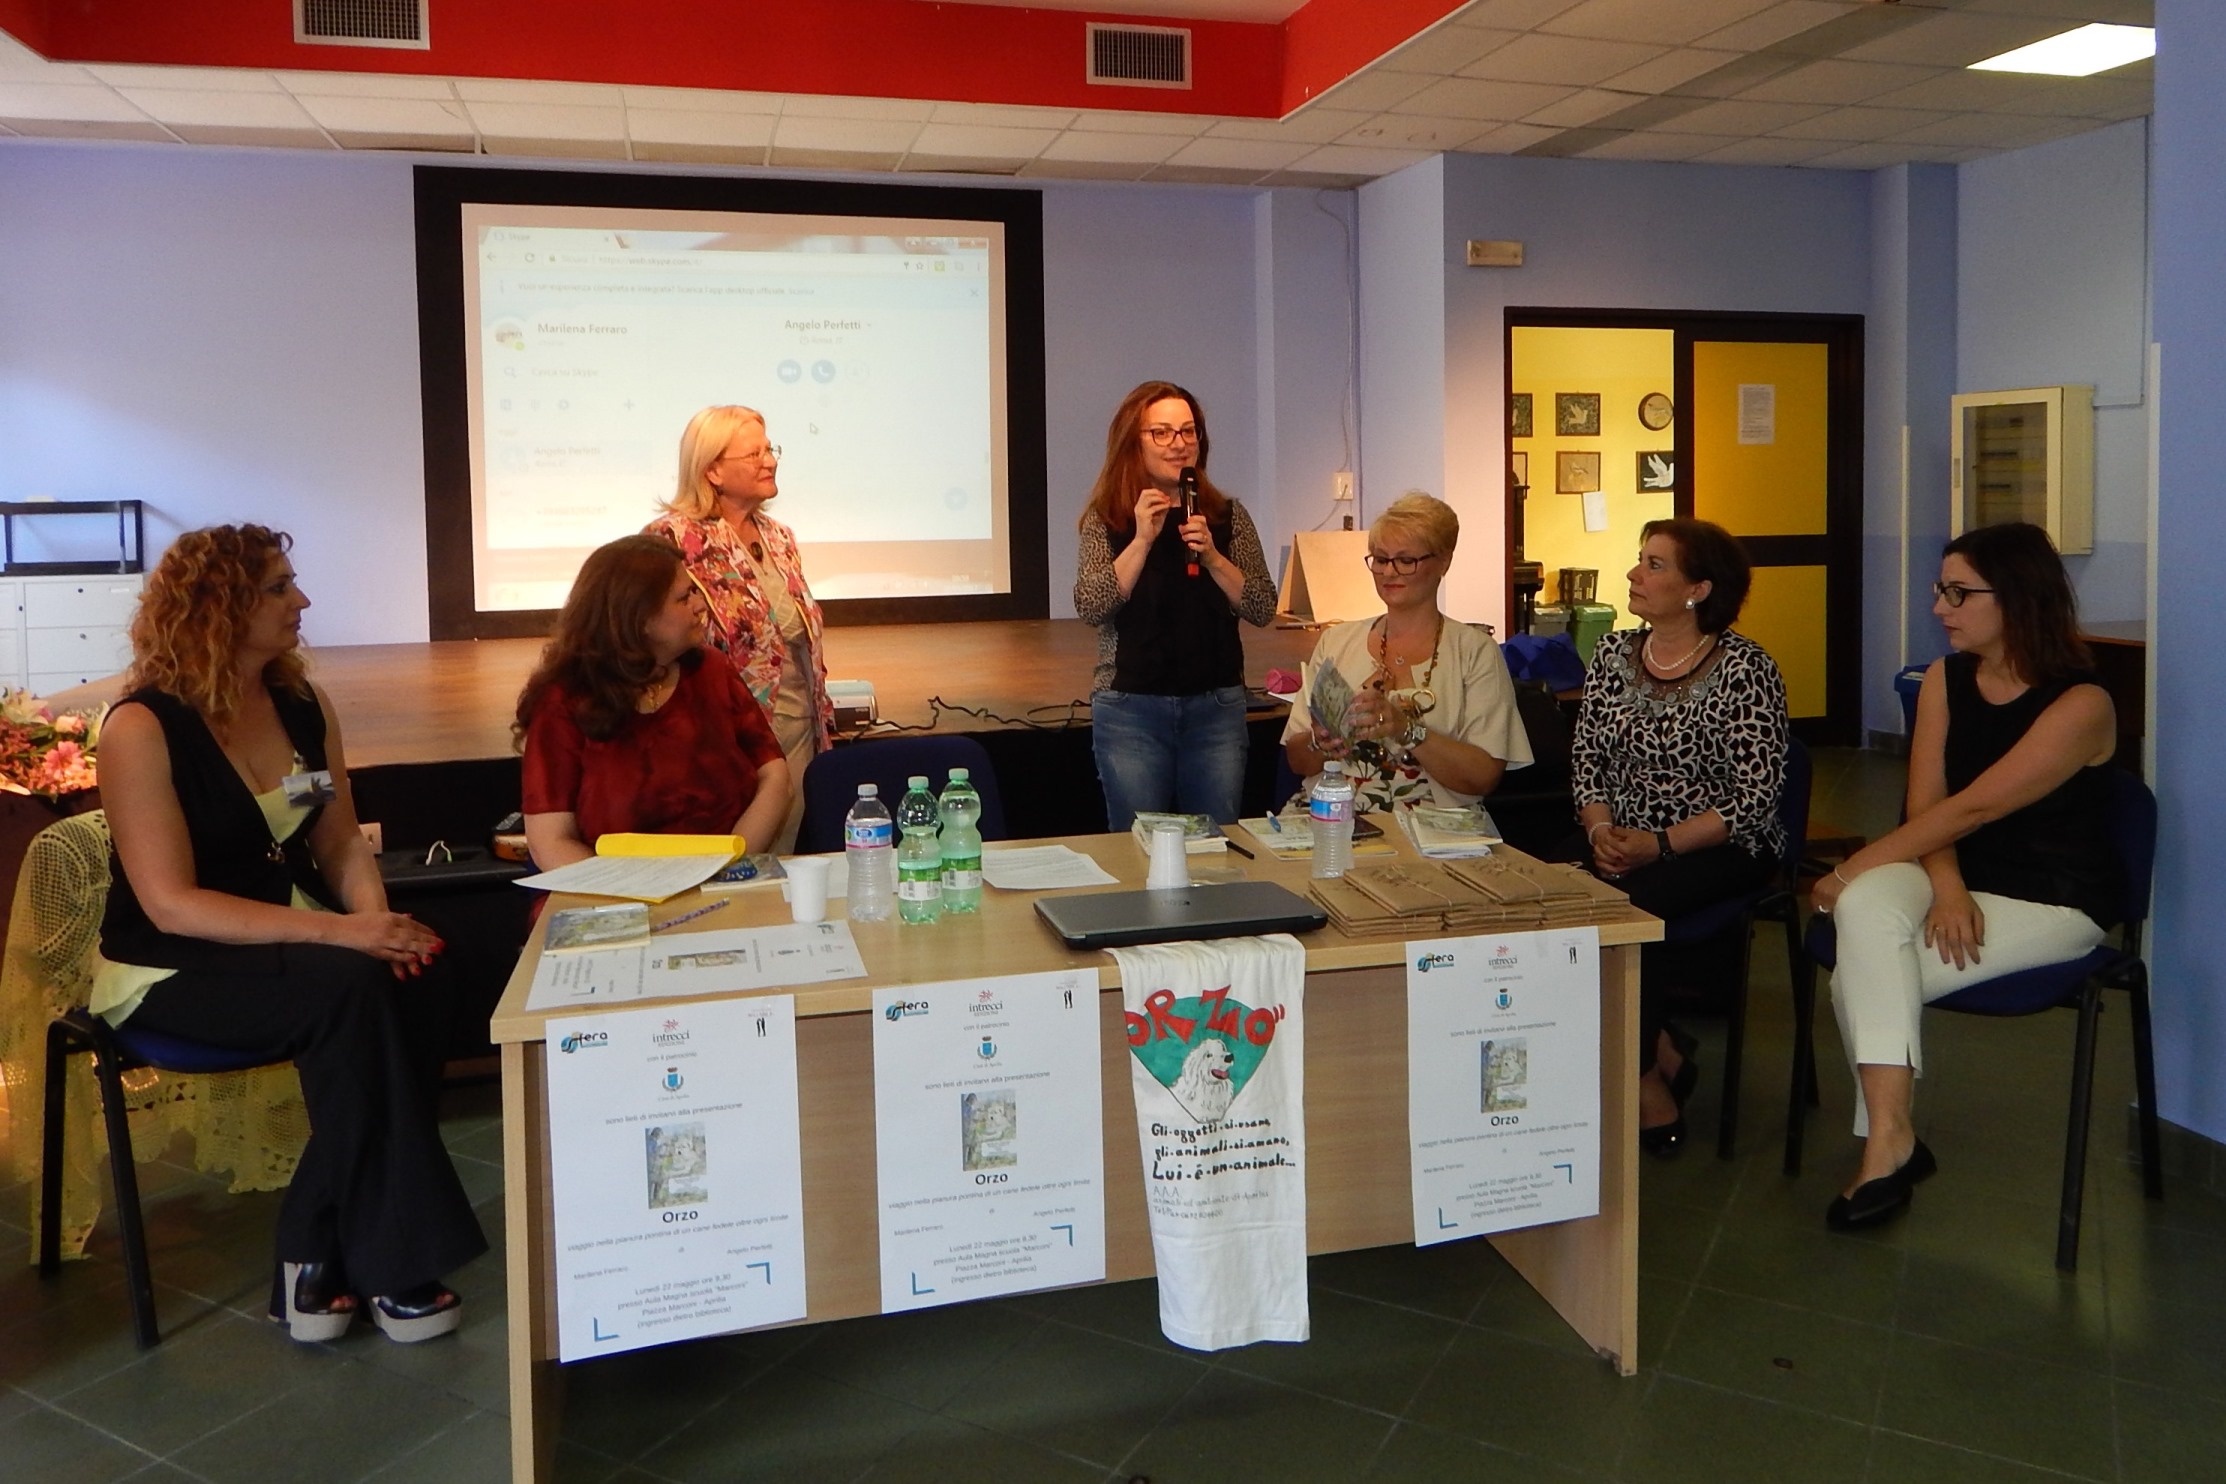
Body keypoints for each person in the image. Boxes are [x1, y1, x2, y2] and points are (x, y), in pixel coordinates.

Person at [92, 525, 485, 1343]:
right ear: (218, 607)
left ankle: (310, 1255)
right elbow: (173, 906)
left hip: (292, 941)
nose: (301, 600)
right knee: (350, 987)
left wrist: (374, 923)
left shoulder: (302, 706)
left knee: (421, 966)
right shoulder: (142, 727)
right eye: (278, 588)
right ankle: (393, 1267)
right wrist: (342, 939)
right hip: (173, 968)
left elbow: (339, 842)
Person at [1809, 523, 2118, 1231]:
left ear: (2016, 597)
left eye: (1958, 593)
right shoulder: (1945, 680)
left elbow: (1978, 806)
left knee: (1858, 974)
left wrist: (1849, 866)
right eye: (1939, 590)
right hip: (1953, 869)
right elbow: (1929, 805)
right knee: (1865, 910)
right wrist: (1945, 889)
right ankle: (1894, 1138)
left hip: (2054, 897)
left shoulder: (2082, 703)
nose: (1939, 607)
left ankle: (1886, 1142)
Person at [1565, 518, 1789, 1155]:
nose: (1634, 574)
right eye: (1640, 560)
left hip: (1721, 845)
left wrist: (1658, 844)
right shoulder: (1613, 654)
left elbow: (1753, 800)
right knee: (1554, 893)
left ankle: (1645, 1083)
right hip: (1623, 837)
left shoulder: (1745, 669)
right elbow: (1587, 761)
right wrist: (1601, 830)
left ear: (1698, 589)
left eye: (1654, 565)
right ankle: (1659, 1046)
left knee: (1628, 908)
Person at [516, 535, 791, 867]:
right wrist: (637, 889)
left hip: (723, 879)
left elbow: (774, 776)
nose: (701, 605)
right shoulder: (565, 701)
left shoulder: (712, 671)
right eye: (684, 597)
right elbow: (550, 842)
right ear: (640, 618)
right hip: (611, 889)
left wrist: (730, 863)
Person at [1074, 381, 1276, 828]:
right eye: (1161, 433)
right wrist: (1142, 540)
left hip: (1215, 709)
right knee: (1138, 846)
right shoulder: (1108, 519)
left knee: (1213, 845)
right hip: (1131, 709)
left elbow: (1263, 606)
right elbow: (1091, 606)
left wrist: (1214, 558)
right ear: (1135, 442)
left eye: (1188, 431)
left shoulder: (1227, 516)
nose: (1178, 444)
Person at [644, 404, 828, 853]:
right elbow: (655, 642)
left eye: (770, 449)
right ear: (713, 471)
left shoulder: (779, 537)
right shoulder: (672, 539)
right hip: (719, 741)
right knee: (731, 867)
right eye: (754, 454)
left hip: (798, 732)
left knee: (783, 867)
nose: (770, 461)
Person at [1282, 493, 1533, 813]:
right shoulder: (1336, 641)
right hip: (1332, 814)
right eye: (1380, 559)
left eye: (1405, 560)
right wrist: (1320, 741)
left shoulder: (1475, 652)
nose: (1389, 572)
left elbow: (1482, 778)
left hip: (1436, 824)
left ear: (1443, 562)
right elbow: (1298, 762)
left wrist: (1407, 730)